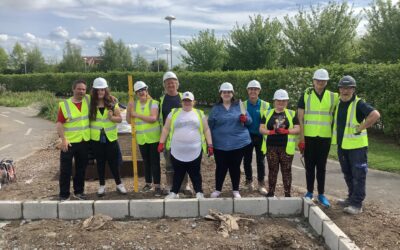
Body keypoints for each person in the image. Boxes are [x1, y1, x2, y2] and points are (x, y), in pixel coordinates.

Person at [332, 76, 380, 215]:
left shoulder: (359, 104)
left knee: (358, 175)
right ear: (339, 89)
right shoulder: (338, 103)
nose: (345, 90)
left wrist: (361, 127)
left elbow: (375, 115)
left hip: (357, 147)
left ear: (353, 89)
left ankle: (357, 204)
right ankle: (351, 198)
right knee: (347, 173)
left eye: (349, 88)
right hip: (342, 146)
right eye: (343, 88)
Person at [157, 91, 213, 199]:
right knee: (178, 172)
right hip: (177, 149)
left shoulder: (199, 113)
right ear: (181, 102)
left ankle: (199, 192)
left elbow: (206, 129)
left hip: (195, 149)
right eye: (185, 101)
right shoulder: (173, 113)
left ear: (193, 102)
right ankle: (174, 192)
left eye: (189, 101)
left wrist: (210, 144)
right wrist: (161, 142)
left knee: (195, 172)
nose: (187, 102)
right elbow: (166, 128)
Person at [297, 69, 338, 207]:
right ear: (313, 81)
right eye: (318, 80)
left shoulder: (334, 96)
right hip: (309, 136)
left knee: (321, 167)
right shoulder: (306, 95)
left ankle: (321, 194)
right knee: (309, 166)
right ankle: (309, 192)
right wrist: (301, 139)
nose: (320, 83)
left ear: (326, 82)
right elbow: (300, 118)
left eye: (323, 81)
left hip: (325, 137)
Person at [208, 82, 252, 198]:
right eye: (224, 92)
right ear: (220, 94)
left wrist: (245, 118)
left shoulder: (239, 105)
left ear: (232, 94)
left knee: (235, 167)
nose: (226, 94)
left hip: (238, 143)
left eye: (229, 92)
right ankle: (217, 189)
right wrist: (209, 143)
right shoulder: (215, 108)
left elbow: (250, 121)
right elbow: (209, 126)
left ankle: (235, 190)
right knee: (220, 167)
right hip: (220, 144)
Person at [89, 77, 126, 196]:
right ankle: (101, 186)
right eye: (98, 90)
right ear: (94, 91)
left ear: (105, 90)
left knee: (114, 163)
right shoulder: (90, 104)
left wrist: (111, 118)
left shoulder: (112, 103)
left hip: (111, 138)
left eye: (102, 90)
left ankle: (119, 184)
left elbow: (119, 119)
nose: (100, 92)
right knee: (100, 163)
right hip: (96, 139)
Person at [259, 89, 300, 197]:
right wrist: (270, 132)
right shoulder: (267, 113)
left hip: (286, 148)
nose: (281, 103)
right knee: (272, 170)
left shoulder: (291, 113)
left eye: (283, 101)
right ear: (274, 101)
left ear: (287, 102)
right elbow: (261, 128)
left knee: (286, 171)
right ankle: (271, 192)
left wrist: (287, 131)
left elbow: (297, 129)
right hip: (271, 147)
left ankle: (287, 194)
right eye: (278, 101)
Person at [56, 79, 90, 200]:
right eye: (79, 89)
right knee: (66, 170)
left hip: (84, 141)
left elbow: (102, 96)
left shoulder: (88, 99)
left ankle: (79, 192)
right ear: (73, 89)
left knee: (81, 169)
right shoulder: (65, 105)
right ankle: (64, 194)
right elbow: (59, 123)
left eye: (84, 89)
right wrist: (63, 139)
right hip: (68, 143)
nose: (81, 91)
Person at [126, 81, 162, 196]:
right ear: (136, 93)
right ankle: (148, 183)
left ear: (146, 90)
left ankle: (157, 186)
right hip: (141, 138)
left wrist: (136, 114)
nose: (141, 92)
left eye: (143, 90)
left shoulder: (154, 103)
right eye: (138, 91)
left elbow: (153, 118)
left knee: (155, 162)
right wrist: (128, 110)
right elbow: (128, 121)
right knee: (146, 162)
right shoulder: (134, 104)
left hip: (153, 138)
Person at [159, 71, 192, 195]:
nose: (170, 85)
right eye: (168, 83)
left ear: (177, 84)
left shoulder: (184, 97)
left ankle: (185, 185)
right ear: (164, 85)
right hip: (168, 137)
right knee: (169, 163)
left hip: (183, 136)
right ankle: (170, 185)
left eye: (173, 83)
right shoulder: (161, 100)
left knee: (185, 161)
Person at [242, 80, 270, 195]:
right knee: (247, 160)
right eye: (251, 89)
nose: (253, 91)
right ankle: (249, 182)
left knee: (260, 161)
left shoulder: (265, 105)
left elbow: (269, 121)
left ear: (259, 91)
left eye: (255, 89)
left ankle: (261, 183)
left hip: (260, 136)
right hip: (247, 136)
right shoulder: (243, 104)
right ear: (248, 91)